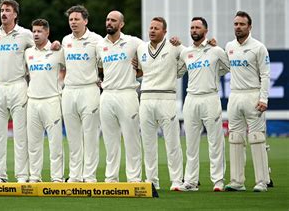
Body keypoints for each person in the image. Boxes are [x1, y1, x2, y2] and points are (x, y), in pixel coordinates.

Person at [178, 17, 229, 192]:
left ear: (205, 31)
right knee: (191, 143)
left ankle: (218, 181)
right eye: (191, 27)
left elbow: (229, 67)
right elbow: (177, 72)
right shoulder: (186, 52)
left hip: (210, 98)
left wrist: (215, 73)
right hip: (191, 99)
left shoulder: (215, 50)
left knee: (215, 141)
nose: (194, 30)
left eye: (197, 27)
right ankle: (191, 182)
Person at [0, 0, 34, 183]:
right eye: (2, 10)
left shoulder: (25, 34)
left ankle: (22, 175)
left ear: (15, 14)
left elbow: (40, 49)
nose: (4, 13)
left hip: (18, 85)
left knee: (20, 134)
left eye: (7, 10)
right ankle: (0, 175)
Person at [136, 16, 185, 191]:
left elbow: (190, 59)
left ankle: (177, 180)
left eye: (156, 28)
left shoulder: (174, 46)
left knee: (172, 142)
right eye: (151, 28)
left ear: (165, 31)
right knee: (148, 143)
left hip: (167, 98)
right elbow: (139, 70)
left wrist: (177, 73)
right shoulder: (141, 48)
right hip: (146, 98)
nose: (152, 31)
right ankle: (152, 180)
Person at [224, 11, 271, 192]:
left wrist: (263, 98)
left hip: (253, 95)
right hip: (234, 95)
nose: (238, 27)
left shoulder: (258, 47)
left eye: (242, 24)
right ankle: (237, 181)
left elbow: (266, 74)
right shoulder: (229, 46)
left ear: (249, 27)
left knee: (257, 138)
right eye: (236, 24)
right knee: (235, 138)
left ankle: (261, 181)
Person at [96, 11, 143, 183]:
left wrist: (139, 71)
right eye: (107, 19)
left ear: (121, 24)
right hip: (107, 95)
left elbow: (150, 59)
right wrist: (99, 80)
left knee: (131, 138)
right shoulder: (100, 45)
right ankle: (111, 178)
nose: (109, 22)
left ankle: (134, 178)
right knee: (110, 141)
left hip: (127, 94)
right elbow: (99, 68)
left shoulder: (133, 42)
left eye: (113, 20)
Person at [61, 5, 103, 183]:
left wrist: (102, 79)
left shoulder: (96, 40)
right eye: (71, 19)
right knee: (73, 136)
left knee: (90, 135)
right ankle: (75, 176)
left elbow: (104, 63)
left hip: (89, 90)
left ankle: (89, 176)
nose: (73, 22)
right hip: (69, 90)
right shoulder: (65, 40)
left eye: (77, 19)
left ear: (85, 21)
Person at [25, 19, 65, 183]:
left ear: (47, 32)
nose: (36, 34)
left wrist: (59, 45)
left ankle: (57, 178)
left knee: (55, 143)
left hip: (52, 100)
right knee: (33, 144)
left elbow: (73, 66)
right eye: (34, 31)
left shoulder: (57, 51)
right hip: (32, 101)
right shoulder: (28, 53)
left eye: (39, 31)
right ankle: (35, 177)